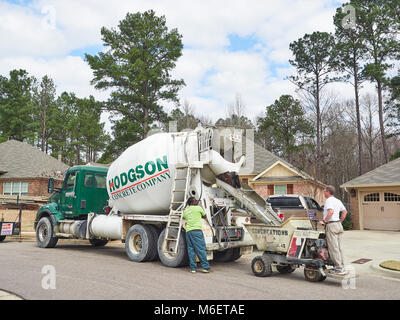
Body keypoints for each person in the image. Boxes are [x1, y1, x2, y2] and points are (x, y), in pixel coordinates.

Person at [318, 185, 348, 275]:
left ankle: (338, 268)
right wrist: (340, 221)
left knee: (333, 247)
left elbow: (330, 212)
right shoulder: (337, 200)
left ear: (328, 192)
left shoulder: (329, 201)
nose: (323, 193)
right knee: (339, 247)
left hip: (331, 225)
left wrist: (324, 221)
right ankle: (342, 266)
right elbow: (344, 212)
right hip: (338, 225)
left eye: (324, 191)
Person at [183, 197, 211, 274]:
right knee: (201, 249)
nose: (197, 201)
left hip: (188, 232)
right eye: (195, 200)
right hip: (197, 231)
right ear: (191, 202)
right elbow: (204, 216)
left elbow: (184, 217)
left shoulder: (186, 210)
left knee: (191, 250)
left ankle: (193, 269)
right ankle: (205, 267)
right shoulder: (198, 208)